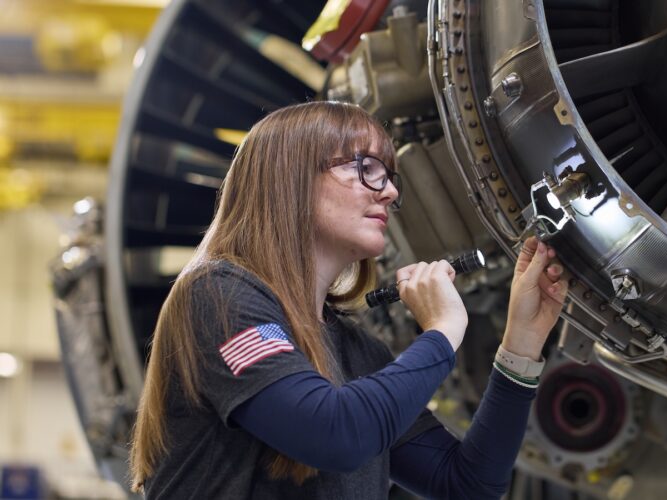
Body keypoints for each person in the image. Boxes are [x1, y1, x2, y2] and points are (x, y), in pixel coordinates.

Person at [129, 101, 567, 499]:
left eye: (388, 176)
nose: (390, 192)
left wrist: (521, 345)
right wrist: (442, 331)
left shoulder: (356, 351)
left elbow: (468, 486)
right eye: (367, 168)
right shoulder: (218, 297)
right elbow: (335, 436)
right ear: (291, 176)